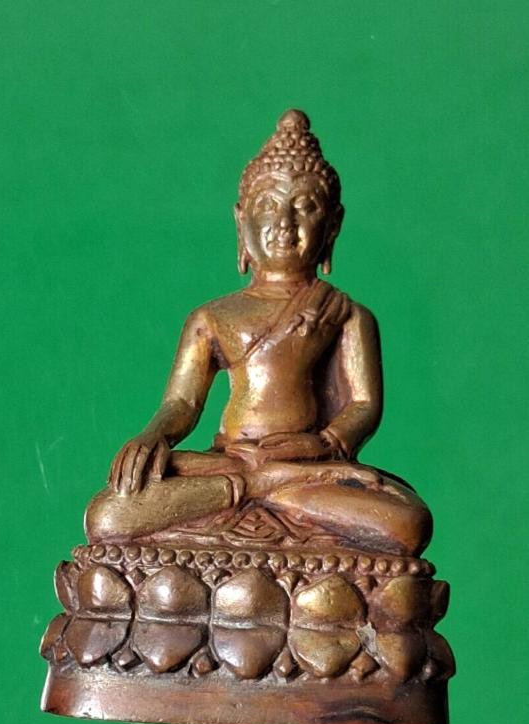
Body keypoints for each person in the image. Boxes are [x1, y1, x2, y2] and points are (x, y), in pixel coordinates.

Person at [85, 110, 431, 557]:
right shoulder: (212, 316)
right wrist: (153, 437)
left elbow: (363, 405)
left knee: (407, 522)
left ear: (333, 225)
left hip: (307, 465)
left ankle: (266, 486)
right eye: (267, 205)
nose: (284, 222)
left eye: (305, 207)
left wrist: (323, 444)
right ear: (240, 221)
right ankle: (259, 486)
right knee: (107, 515)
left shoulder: (346, 314)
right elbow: (182, 403)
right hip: (230, 462)